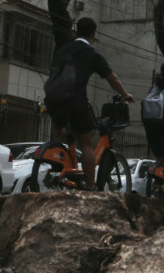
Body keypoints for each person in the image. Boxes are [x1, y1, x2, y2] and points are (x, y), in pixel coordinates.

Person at [44, 17, 133, 187]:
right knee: (86, 144)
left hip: (54, 101)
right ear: (93, 34)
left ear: (76, 31)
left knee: (59, 134)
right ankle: (90, 187)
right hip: (76, 102)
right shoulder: (92, 54)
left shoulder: (63, 50)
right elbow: (112, 79)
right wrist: (124, 93)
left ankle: (55, 166)